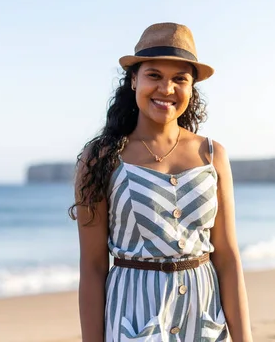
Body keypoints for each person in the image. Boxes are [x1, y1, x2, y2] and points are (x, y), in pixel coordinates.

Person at [69, 23, 253, 342]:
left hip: (204, 313)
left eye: (179, 79)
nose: (166, 89)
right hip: (133, 316)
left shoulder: (212, 154)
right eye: (154, 75)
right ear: (133, 80)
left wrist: (244, 338)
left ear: (192, 87)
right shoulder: (100, 159)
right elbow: (93, 268)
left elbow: (227, 257)